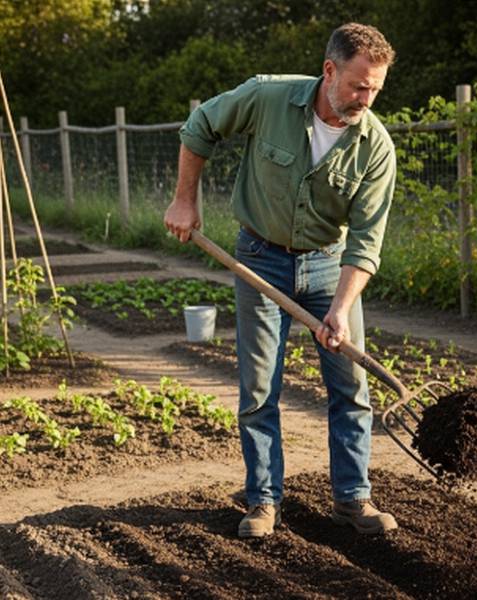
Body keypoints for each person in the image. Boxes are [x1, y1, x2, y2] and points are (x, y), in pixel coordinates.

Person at [163, 23, 398, 537]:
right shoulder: (267, 97)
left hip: (330, 267)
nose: (366, 97)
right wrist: (185, 199)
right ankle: (263, 501)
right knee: (258, 389)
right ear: (330, 70)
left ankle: (354, 500)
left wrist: (340, 306)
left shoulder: (375, 146)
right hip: (260, 259)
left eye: (376, 88)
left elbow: (365, 242)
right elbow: (200, 126)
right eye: (359, 85)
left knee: (352, 387)